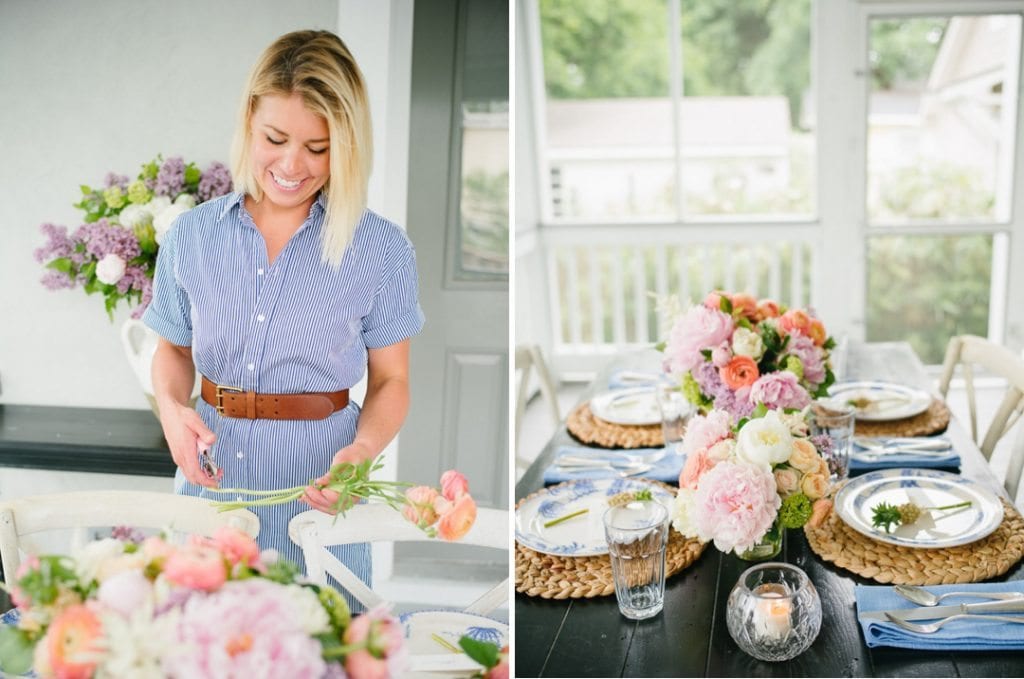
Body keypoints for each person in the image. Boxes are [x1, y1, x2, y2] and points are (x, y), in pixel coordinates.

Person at [144, 29, 424, 594]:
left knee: (325, 636)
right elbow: (172, 348)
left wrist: (361, 454)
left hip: (319, 494)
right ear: (250, 120)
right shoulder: (192, 235)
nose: (292, 164)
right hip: (213, 489)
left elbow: (391, 380)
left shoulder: (382, 249)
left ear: (347, 145)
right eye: (275, 138)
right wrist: (172, 411)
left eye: (318, 148)